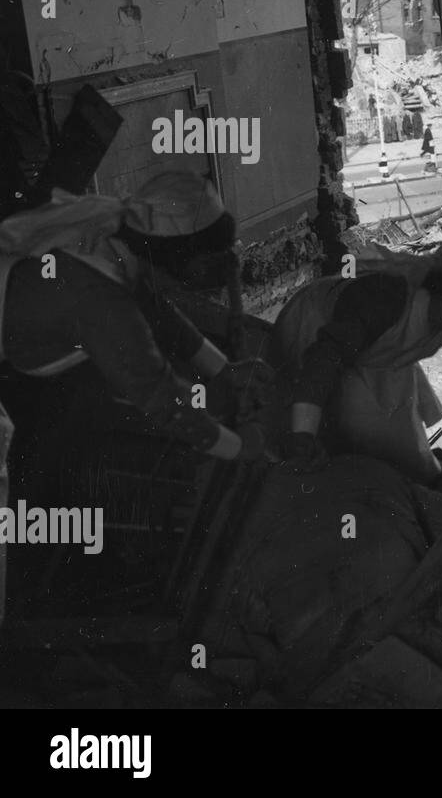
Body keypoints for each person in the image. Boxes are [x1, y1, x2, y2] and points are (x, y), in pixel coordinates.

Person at [0, 173, 275, 625]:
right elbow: (159, 394)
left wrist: (224, 370)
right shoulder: (98, 298)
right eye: (207, 259)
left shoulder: (119, 234)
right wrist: (237, 445)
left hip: (23, 343)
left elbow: (154, 308)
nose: (217, 268)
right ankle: (16, 621)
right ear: (179, 257)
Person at [269, 242, 442, 489]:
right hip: (312, 329)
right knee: (346, 439)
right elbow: (322, 362)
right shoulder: (383, 300)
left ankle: (426, 476)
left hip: (380, 355)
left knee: (402, 435)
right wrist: (303, 435)